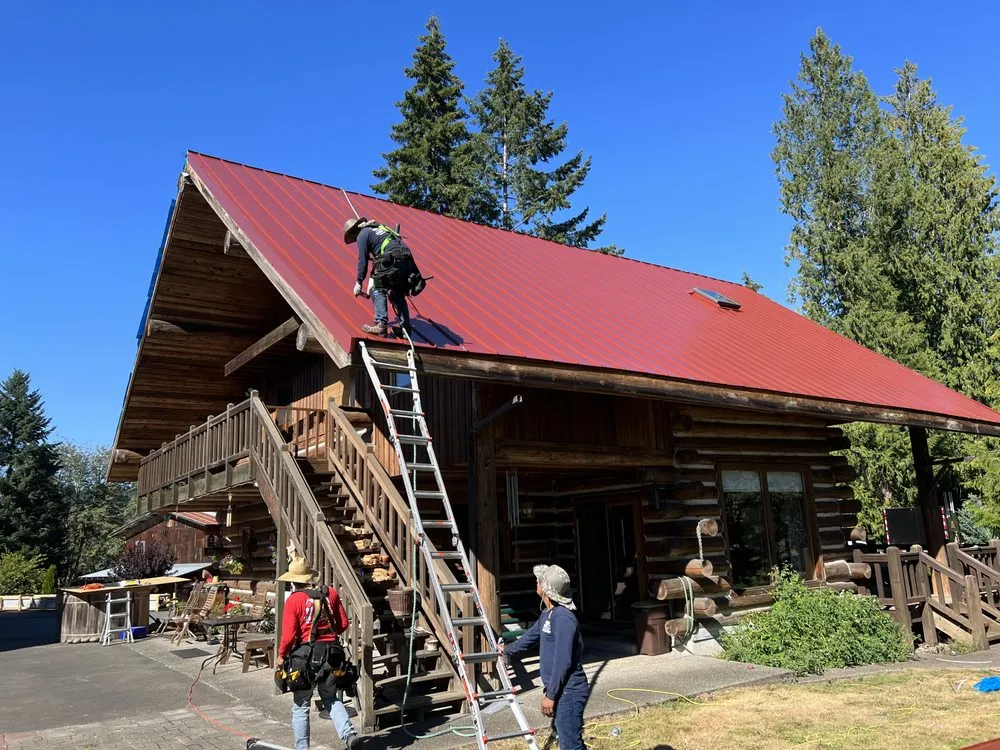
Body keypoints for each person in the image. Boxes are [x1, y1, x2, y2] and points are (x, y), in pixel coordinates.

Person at [499, 564, 590, 750]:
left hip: (569, 692)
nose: (536, 582)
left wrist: (551, 695)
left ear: (547, 590)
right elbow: (529, 638)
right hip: (560, 690)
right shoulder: (547, 614)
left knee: (570, 744)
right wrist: (506, 650)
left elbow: (562, 661)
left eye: (540, 580)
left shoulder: (564, 619)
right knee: (569, 739)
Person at [277, 557, 362, 749]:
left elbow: (289, 636)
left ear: (293, 580)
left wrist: (281, 655)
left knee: (301, 704)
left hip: (304, 657)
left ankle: (302, 748)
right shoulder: (330, 593)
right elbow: (343, 624)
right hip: (332, 654)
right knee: (331, 698)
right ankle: (349, 735)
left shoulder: (294, 600)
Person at [344, 216, 413, 336]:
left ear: (353, 232)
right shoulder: (377, 229)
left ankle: (381, 324)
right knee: (397, 294)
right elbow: (379, 264)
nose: (355, 241)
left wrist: (359, 282)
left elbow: (362, 261)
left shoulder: (362, 235)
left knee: (377, 287)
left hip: (391, 256)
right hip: (405, 256)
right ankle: (405, 329)